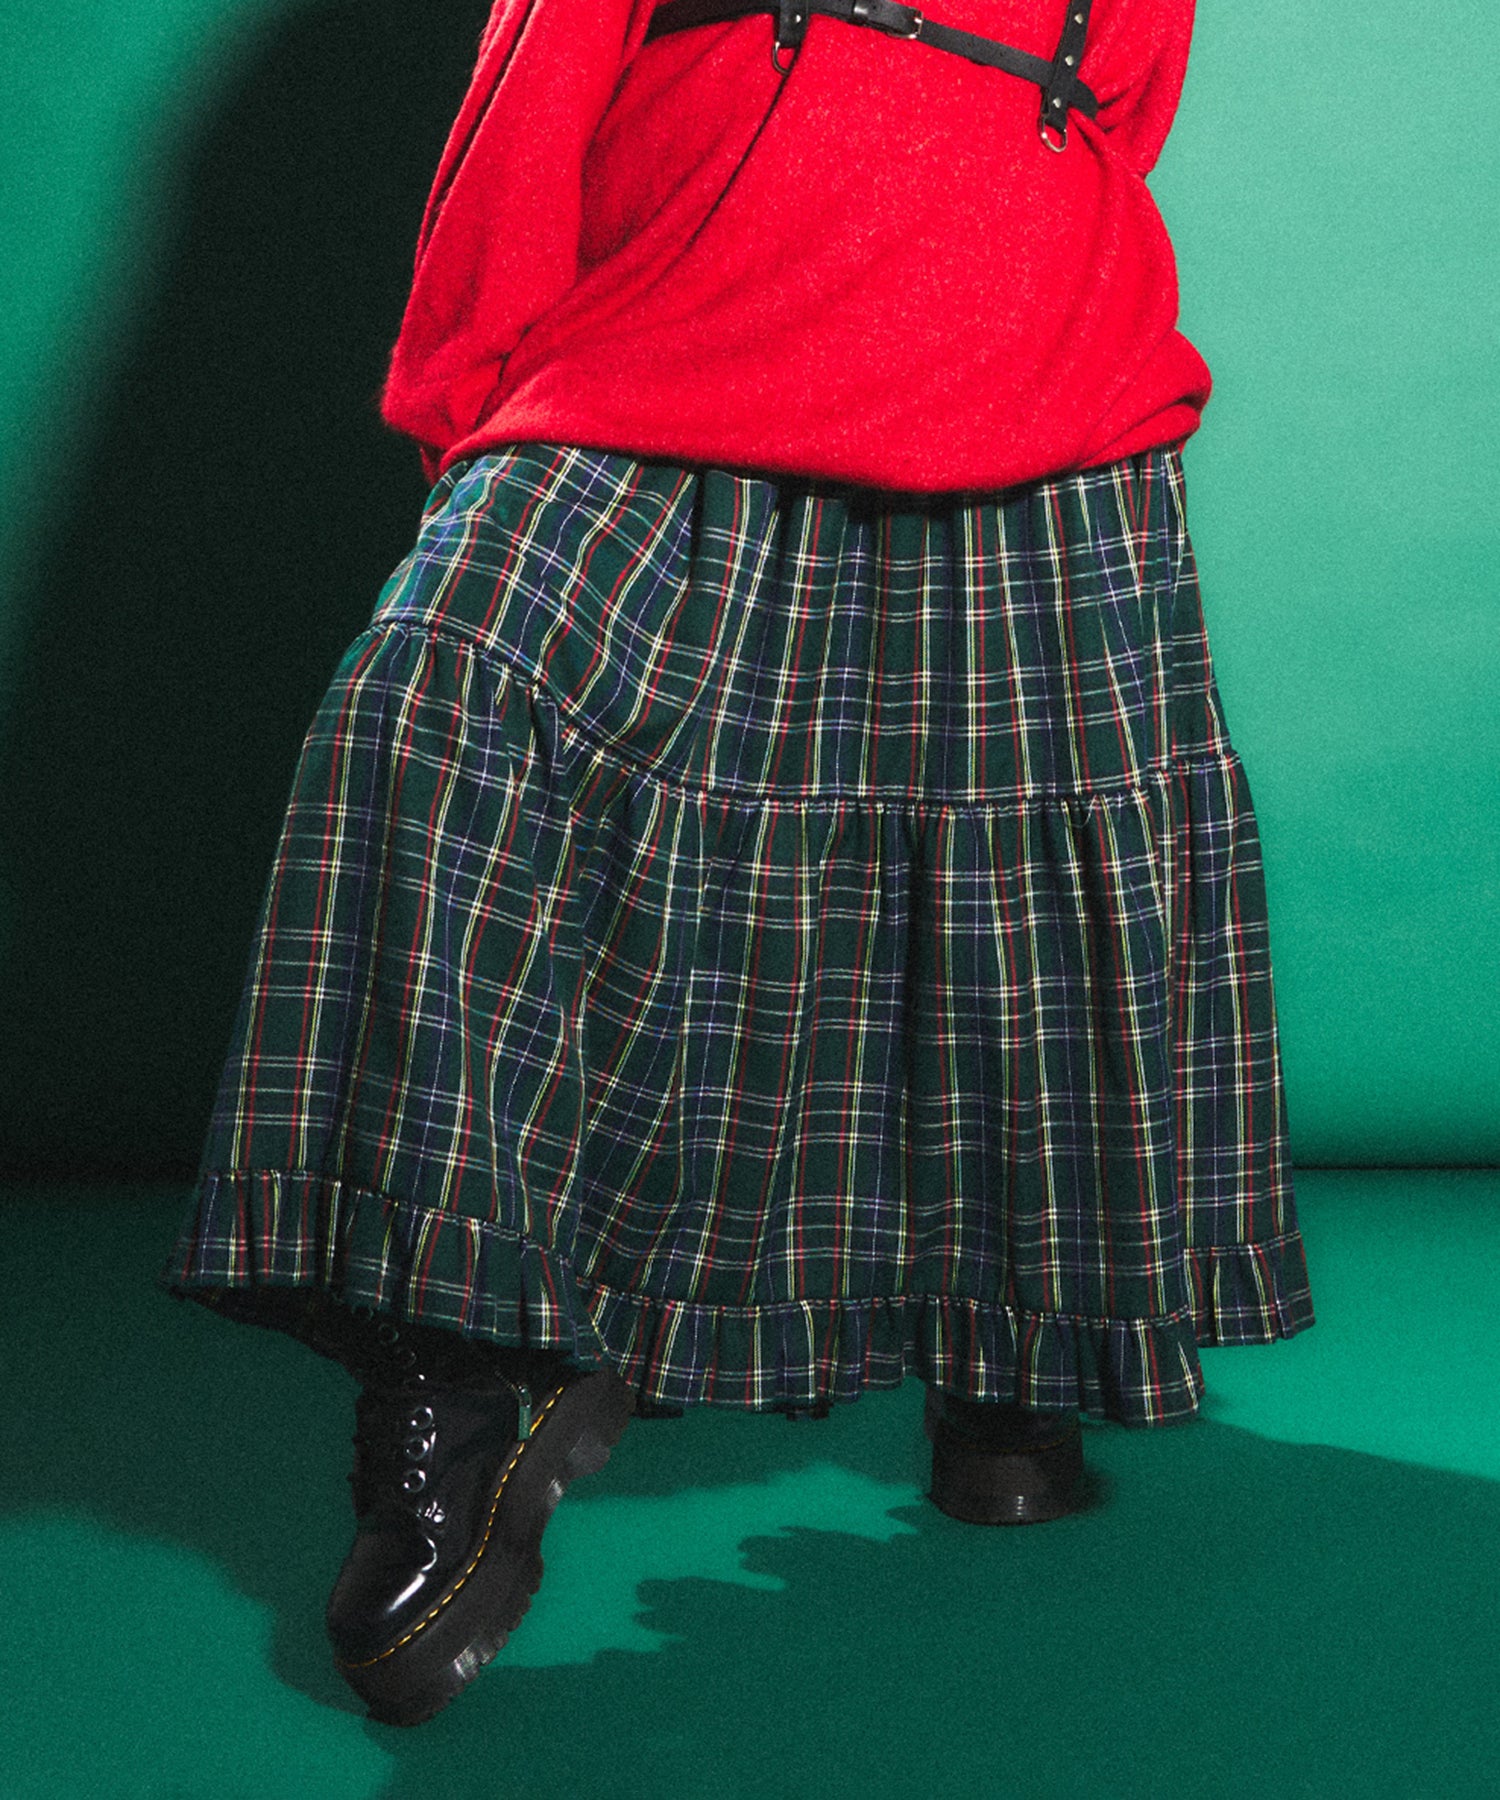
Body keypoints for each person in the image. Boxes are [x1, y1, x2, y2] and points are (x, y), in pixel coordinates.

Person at [163, 0, 1314, 1728]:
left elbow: (1109, 100)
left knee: (1014, 857)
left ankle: (1014, 1353)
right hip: (667, 348)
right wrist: (470, 404)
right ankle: (468, 1372)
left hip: (1038, 366)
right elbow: (535, 84)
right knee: (425, 716)